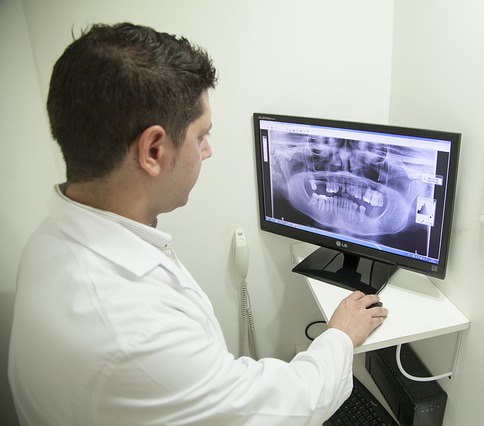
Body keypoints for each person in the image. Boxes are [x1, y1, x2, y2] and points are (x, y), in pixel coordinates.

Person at [8, 22, 388, 426]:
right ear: (153, 149)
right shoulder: (134, 333)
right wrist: (341, 336)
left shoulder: (47, 241)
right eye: (201, 135)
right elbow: (278, 412)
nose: (208, 151)